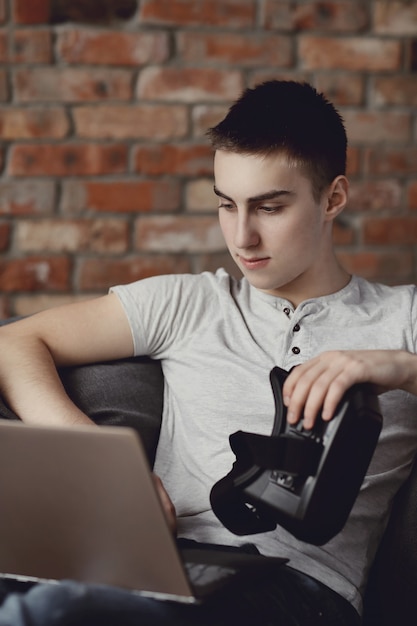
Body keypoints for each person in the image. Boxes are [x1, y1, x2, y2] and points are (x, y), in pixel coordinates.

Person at [0, 80, 417, 626]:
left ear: (333, 198)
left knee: (50, 611)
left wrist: (396, 365)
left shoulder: (403, 317)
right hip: (156, 573)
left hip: (297, 593)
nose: (242, 237)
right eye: (227, 205)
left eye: (269, 207)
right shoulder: (189, 302)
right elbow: (14, 342)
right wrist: (105, 464)